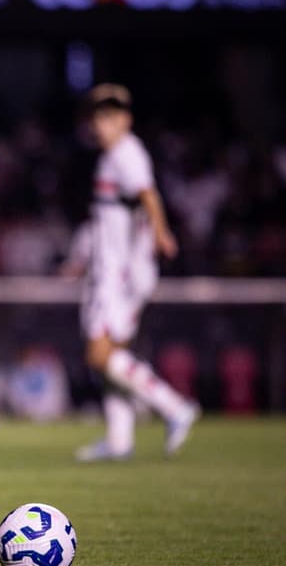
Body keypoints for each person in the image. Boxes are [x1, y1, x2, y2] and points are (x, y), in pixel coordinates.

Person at [74, 84, 199, 462]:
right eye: (98, 117)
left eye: (110, 116)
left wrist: (161, 232)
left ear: (126, 120)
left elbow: (148, 194)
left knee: (99, 356)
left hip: (121, 274)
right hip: (116, 271)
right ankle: (119, 440)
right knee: (114, 357)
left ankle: (174, 406)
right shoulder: (114, 155)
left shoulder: (127, 154)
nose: (102, 124)